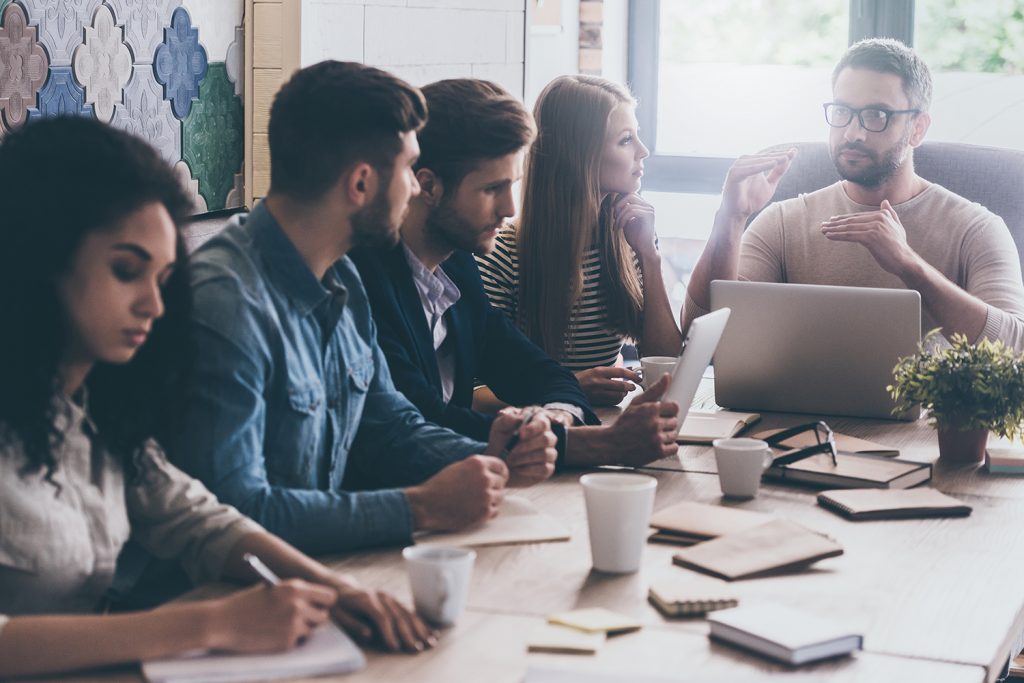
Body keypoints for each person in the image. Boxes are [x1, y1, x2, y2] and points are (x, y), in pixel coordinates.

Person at [0, 117, 435, 679]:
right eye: (126, 271)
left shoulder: (96, 409)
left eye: (162, 279)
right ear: (39, 259)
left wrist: (335, 591)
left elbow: (199, 519)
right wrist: (213, 623)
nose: (154, 307)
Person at [167, 61, 557, 557]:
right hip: (216, 602)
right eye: (408, 172)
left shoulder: (341, 276)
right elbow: (237, 513)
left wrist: (490, 456)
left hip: (317, 573)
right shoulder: (226, 304)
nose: (418, 190)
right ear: (361, 185)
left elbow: (388, 425)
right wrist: (420, 507)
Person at [351, 78, 681, 468]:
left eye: (513, 185)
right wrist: (592, 444)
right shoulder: (364, 284)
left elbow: (540, 373)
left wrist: (557, 416)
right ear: (428, 187)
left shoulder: (456, 266)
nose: (510, 208)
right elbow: (422, 421)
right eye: (493, 188)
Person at [682, 38, 1024, 350]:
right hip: (797, 416)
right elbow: (700, 336)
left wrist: (909, 266)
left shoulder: (976, 228)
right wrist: (730, 221)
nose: (853, 132)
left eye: (876, 115)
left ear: (917, 128)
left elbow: (1014, 351)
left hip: (930, 420)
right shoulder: (784, 222)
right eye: (842, 112)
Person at [476, 75, 683, 407]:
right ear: (580, 155)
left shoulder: (627, 239)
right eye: (626, 139)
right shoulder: (503, 255)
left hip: (602, 426)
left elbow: (667, 370)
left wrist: (650, 255)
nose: (643, 152)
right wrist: (568, 387)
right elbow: (468, 396)